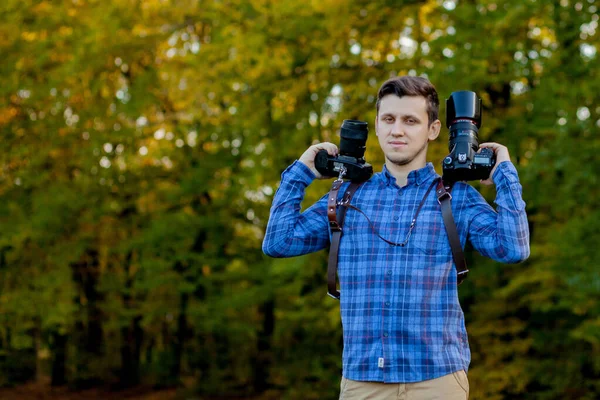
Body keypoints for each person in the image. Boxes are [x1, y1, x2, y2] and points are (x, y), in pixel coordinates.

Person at [262, 76, 530, 400]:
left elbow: (514, 248)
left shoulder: (456, 197)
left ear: (432, 129)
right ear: (376, 125)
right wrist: (300, 172)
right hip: (362, 382)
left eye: (410, 120)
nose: (397, 130)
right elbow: (278, 242)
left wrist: (505, 174)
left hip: (438, 380)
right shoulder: (346, 197)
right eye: (388, 119)